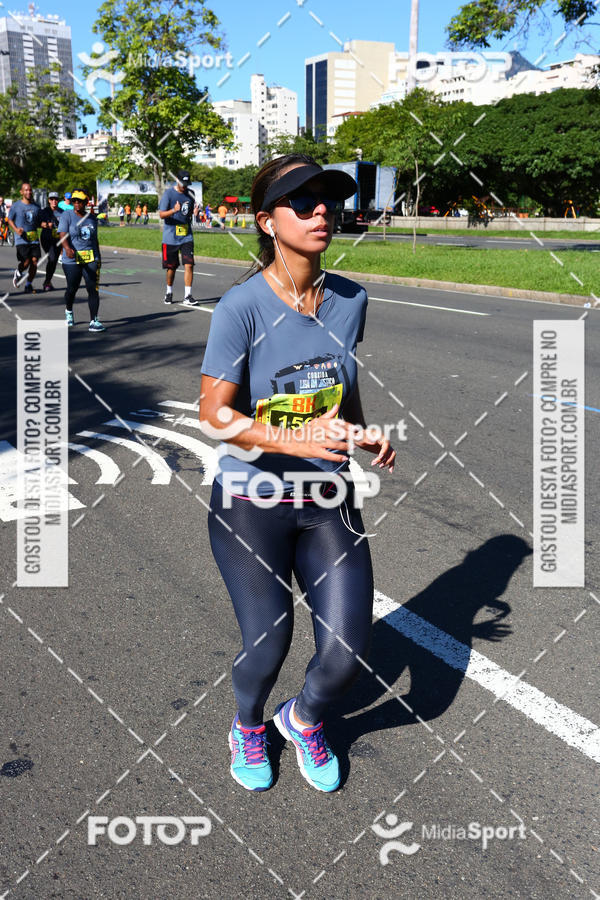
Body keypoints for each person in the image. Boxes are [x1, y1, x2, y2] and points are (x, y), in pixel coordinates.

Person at [199, 154, 395, 794]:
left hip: (328, 494)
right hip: (251, 499)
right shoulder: (241, 308)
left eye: (327, 201)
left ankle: (302, 718)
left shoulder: (349, 299)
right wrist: (295, 435)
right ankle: (247, 724)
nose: (321, 212)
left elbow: (342, 379)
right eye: (302, 202)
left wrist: (359, 429)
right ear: (266, 221)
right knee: (267, 645)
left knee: (345, 655)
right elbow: (214, 415)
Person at [58, 188, 105, 332]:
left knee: (92, 289)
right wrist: (66, 248)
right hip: (71, 259)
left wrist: (98, 257)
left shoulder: (91, 218)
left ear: (85, 202)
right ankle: (69, 310)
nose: (76, 203)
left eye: (80, 201)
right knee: (72, 288)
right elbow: (62, 233)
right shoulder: (67, 215)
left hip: (90, 257)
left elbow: (94, 239)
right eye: (74, 201)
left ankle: (94, 321)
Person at [158, 169, 199, 306]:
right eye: (183, 183)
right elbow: (162, 214)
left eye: (187, 184)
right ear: (177, 180)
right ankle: (169, 292)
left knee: (189, 264)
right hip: (171, 237)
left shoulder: (190, 194)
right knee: (172, 268)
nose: (185, 186)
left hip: (186, 236)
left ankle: (188, 296)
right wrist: (173, 211)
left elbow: (191, 214)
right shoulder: (169, 194)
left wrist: (195, 213)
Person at [7, 182, 41, 293]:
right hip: (21, 239)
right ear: (21, 192)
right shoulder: (16, 206)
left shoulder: (36, 206)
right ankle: (19, 271)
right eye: (26, 190)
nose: (28, 192)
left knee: (34, 262)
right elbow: (10, 220)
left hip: (34, 238)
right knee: (26, 261)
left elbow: (38, 222)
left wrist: (43, 224)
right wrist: (16, 230)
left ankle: (28, 284)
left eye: (30, 190)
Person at [39, 191, 61, 291]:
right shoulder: (45, 211)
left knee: (54, 260)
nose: (54, 201)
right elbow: (40, 223)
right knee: (52, 258)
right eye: (52, 199)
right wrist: (46, 225)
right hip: (46, 239)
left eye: (56, 199)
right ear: (49, 200)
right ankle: (47, 282)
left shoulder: (62, 212)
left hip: (58, 239)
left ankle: (47, 281)